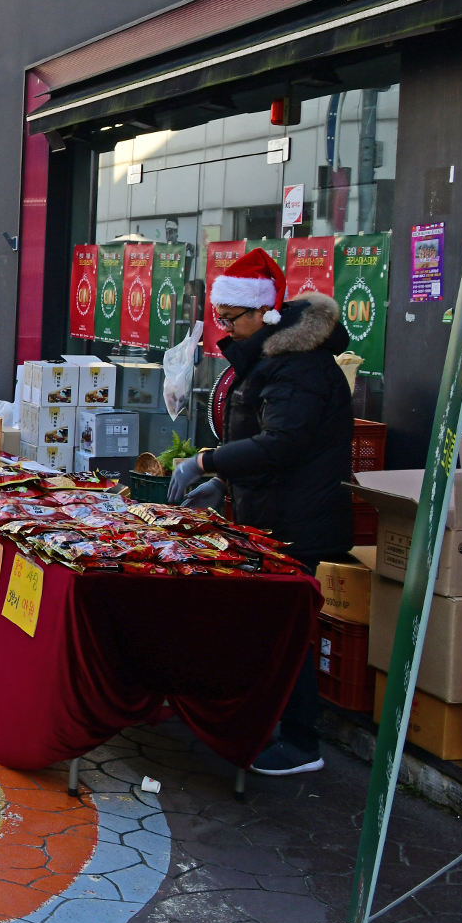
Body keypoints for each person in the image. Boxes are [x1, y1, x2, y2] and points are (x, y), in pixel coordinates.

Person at [167, 247, 353, 778]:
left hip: (298, 523)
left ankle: (300, 742)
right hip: (269, 511)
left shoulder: (299, 367)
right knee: (272, 627)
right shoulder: (272, 357)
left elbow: (281, 445)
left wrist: (205, 461)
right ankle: (265, 723)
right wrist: (224, 482)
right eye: (219, 318)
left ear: (265, 311)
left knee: (287, 630)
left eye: (231, 318)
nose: (225, 327)